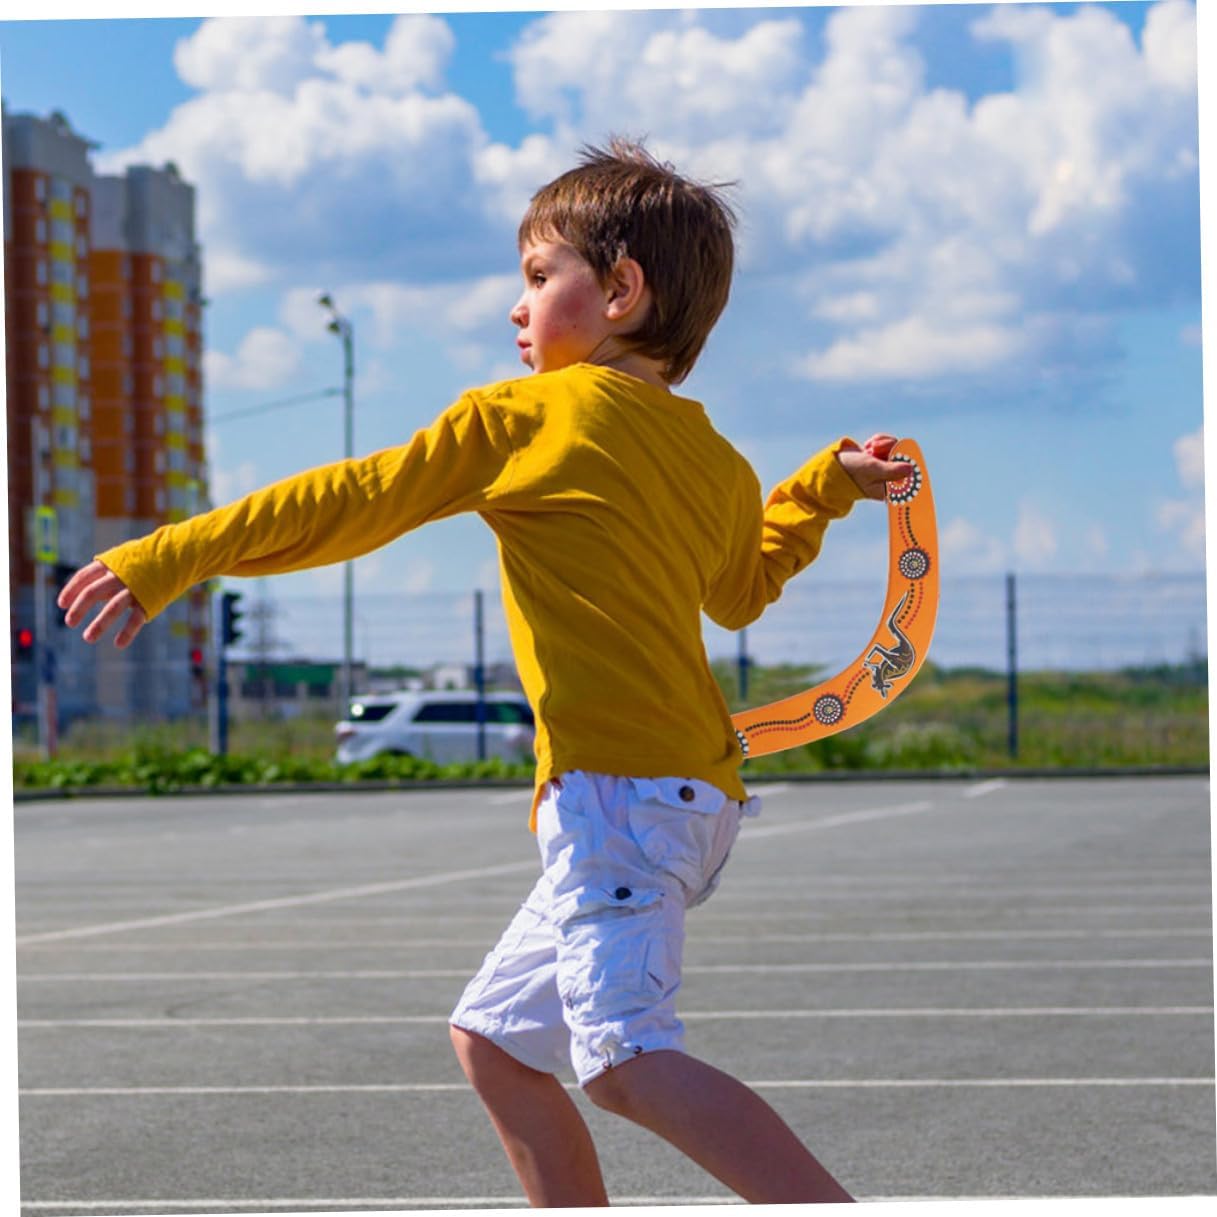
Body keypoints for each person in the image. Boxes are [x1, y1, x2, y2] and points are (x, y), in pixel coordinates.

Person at [59, 139, 910, 1206]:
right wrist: (822, 487)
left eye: (539, 276)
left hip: (620, 798)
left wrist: (172, 553)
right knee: (495, 1041)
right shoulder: (719, 463)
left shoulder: (522, 418)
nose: (518, 305)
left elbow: (352, 498)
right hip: (685, 798)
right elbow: (743, 590)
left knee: (623, 1059)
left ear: (619, 291)